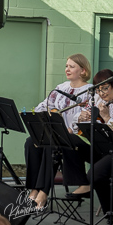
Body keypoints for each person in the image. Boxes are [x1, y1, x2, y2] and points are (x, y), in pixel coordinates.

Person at [65, 69, 113, 224]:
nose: (101, 93)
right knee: (70, 140)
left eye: (105, 88)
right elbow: (75, 126)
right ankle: (83, 183)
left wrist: (107, 117)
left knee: (96, 173)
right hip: (105, 149)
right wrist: (80, 117)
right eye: (98, 89)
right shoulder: (100, 101)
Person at [24, 53, 92, 209]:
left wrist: (70, 127)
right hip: (59, 137)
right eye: (66, 66)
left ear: (82, 70)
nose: (67, 69)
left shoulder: (89, 91)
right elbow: (43, 106)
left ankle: (43, 194)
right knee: (31, 141)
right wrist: (48, 114)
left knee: (52, 144)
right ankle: (34, 188)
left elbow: (87, 117)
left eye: (71, 66)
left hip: (78, 140)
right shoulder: (61, 88)